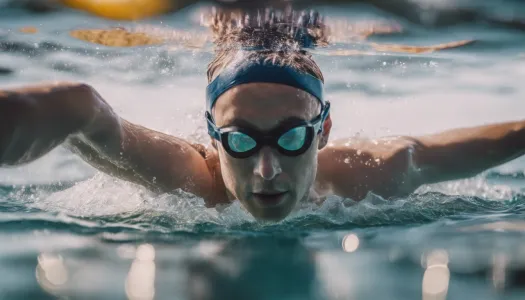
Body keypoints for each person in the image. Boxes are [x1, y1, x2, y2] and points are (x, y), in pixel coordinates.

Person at [0, 10, 524, 221]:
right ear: (212, 139)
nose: (266, 171)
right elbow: (93, 119)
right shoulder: (193, 179)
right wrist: (60, 104)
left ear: (323, 133)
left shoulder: (372, 174)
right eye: (241, 142)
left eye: (293, 138)